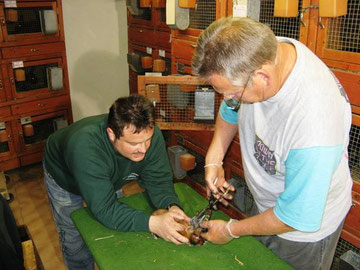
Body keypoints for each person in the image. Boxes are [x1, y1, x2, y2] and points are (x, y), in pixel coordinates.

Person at [192, 17, 353, 269]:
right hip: (269, 203)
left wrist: (231, 230)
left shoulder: (314, 126)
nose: (228, 99)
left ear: (262, 77)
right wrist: (214, 157)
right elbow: (231, 108)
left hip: (302, 232)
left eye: (233, 93)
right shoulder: (261, 50)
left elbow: (294, 217)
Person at [43, 94, 190, 270]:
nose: (143, 149)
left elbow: (158, 180)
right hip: (64, 174)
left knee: (115, 228)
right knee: (73, 234)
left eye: (147, 140)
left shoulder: (150, 133)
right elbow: (105, 208)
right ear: (111, 134)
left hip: (109, 172)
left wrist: (171, 206)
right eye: (134, 143)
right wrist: (155, 224)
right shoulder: (85, 147)